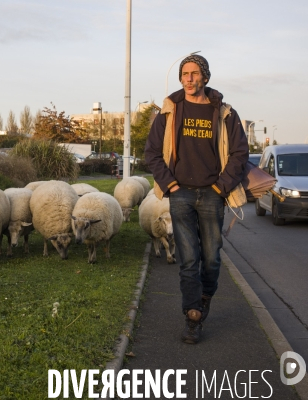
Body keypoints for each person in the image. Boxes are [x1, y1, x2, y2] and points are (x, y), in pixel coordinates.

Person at [144, 54, 249, 344]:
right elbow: (152, 153)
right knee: (189, 260)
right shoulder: (170, 110)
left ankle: (203, 299)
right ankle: (192, 317)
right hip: (181, 195)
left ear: (205, 76)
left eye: (194, 73)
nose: (189, 79)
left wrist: (221, 187)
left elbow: (240, 153)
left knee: (211, 259)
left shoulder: (225, 112)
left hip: (213, 195)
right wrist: (171, 186)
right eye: (184, 74)